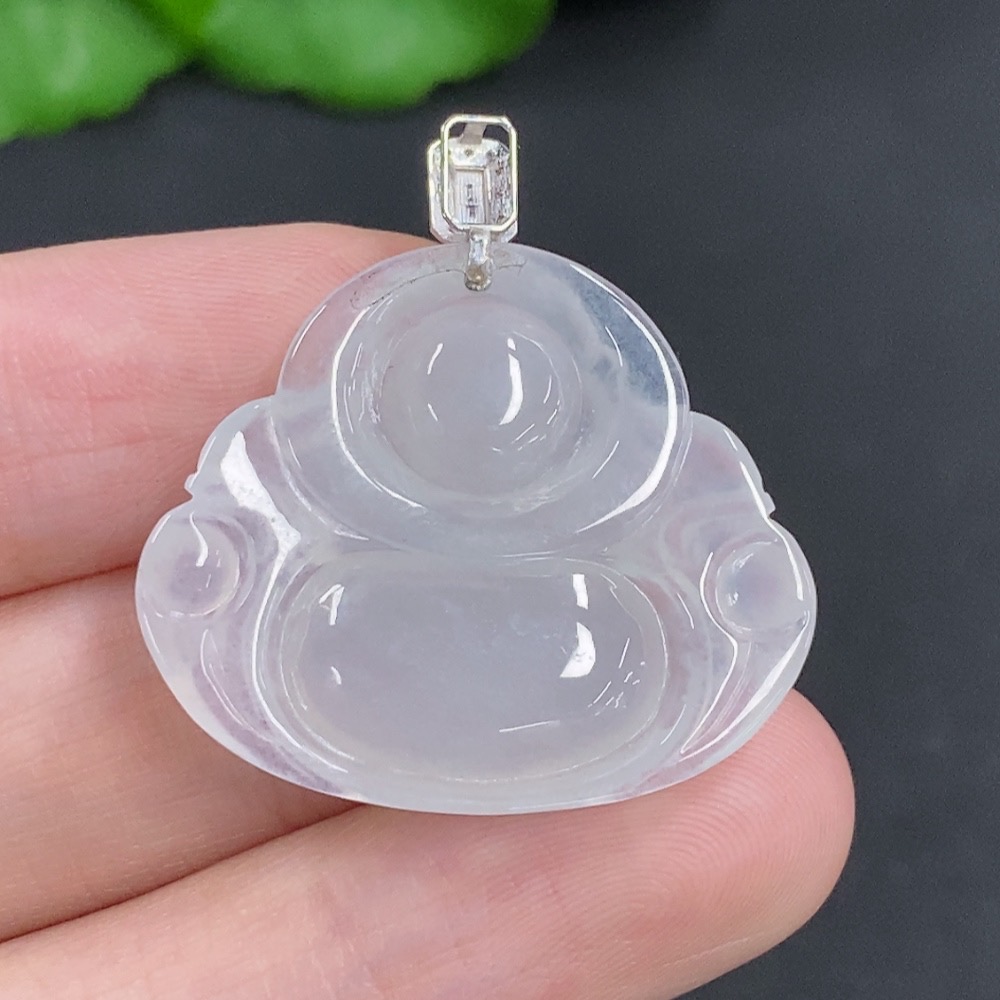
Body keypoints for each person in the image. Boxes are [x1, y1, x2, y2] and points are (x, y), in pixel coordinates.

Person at [0, 224, 855, 999]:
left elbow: (729, 554)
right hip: (346, 651)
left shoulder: (658, 467)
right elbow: (224, 542)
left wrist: (737, 587)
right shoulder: (289, 461)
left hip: (595, 665)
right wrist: (213, 574)